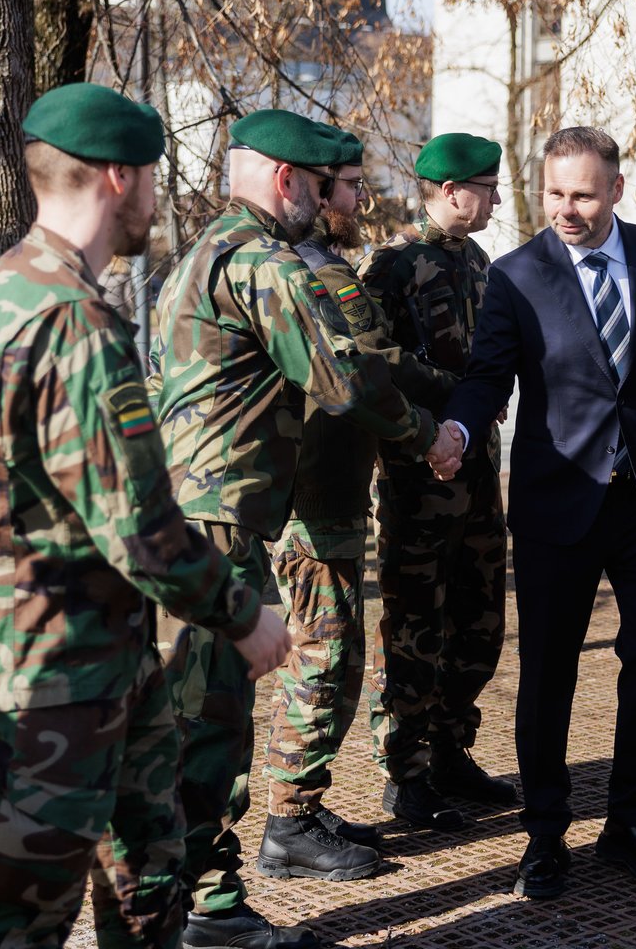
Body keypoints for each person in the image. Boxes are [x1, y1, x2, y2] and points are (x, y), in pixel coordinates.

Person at [0, 83, 292, 949]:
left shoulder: (6, 288)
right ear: (121, 178)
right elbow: (140, 528)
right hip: (53, 665)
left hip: (91, 652)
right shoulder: (73, 320)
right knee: (16, 919)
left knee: (150, 874)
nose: (157, 199)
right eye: (154, 178)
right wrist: (243, 616)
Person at [148, 109, 461, 949]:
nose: (332, 203)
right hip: (220, 523)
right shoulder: (264, 262)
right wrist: (428, 435)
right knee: (211, 726)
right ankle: (206, 913)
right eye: (326, 186)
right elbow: (345, 378)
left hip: (199, 514)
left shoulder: (200, 254)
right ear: (289, 179)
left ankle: (202, 900)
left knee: (199, 717)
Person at [442, 126, 636, 899]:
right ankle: (544, 834)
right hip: (557, 503)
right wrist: (459, 429)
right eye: (555, 193)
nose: (566, 209)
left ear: (617, 190)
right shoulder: (517, 274)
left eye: (584, 195)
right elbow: (487, 377)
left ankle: (631, 823)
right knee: (548, 672)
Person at [356, 132, 514, 832]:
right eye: (487, 188)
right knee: (417, 623)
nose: (496, 200)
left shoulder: (476, 260)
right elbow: (373, 364)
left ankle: (451, 751)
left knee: (479, 620)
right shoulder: (389, 265)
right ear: (451, 191)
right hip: (417, 473)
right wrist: (451, 398)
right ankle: (406, 773)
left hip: (477, 469)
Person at [255, 129, 390, 882]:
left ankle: (304, 806)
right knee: (320, 658)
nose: (357, 199)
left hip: (333, 499)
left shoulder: (318, 265)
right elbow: (363, 374)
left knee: (338, 659)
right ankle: (288, 825)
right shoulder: (300, 274)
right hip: (308, 505)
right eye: (347, 185)